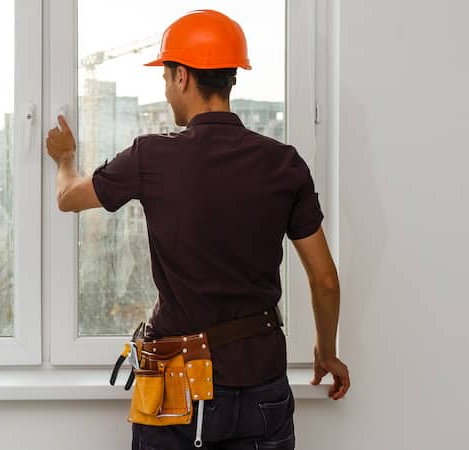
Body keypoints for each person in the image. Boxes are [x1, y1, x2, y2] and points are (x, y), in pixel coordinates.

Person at [46, 9, 349, 450]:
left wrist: (65, 159)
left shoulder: (151, 157)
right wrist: (326, 349)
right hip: (261, 383)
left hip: (179, 387)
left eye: (166, 79)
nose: (167, 92)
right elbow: (324, 279)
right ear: (231, 79)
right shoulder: (284, 162)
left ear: (183, 76)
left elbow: (68, 197)